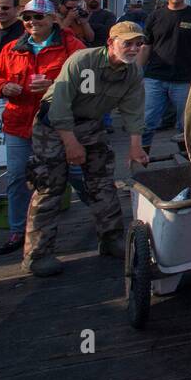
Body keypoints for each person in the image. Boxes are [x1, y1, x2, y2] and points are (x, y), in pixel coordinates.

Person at [23, 22, 149, 276]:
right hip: (54, 127)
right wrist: (70, 143)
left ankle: (111, 238)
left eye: (138, 43)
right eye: (127, 43)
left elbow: (133, 111)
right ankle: (37, 254)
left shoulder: (132, 73)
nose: (134, 48)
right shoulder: (82, 61)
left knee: (102, 183)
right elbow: (59, 105)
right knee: (50, 188)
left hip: (91, 125)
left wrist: (136, 147)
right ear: (111, 41)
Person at [0, 0, 86, 257]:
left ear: (53, 19)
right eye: (27, 18)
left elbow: (89, 82)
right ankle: (19, 230)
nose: (32, 22)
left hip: (58, 124)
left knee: (75, 174)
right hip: (20, 123)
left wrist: (53, 85)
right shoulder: (12, 49)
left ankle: (103, 217)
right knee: (17, 177)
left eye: (38, 17)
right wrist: (3, 87)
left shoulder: (72, 46)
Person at [138, 0, 191, 151]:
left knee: (186, 125)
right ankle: (141, 159)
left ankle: (187, 160)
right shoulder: (155, 16)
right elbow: (146, 47)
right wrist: (136, 72)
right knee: (147, 122)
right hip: (154, 77)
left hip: (185, 79)